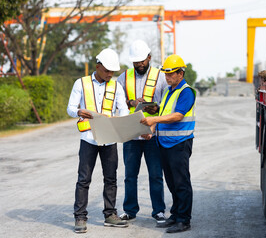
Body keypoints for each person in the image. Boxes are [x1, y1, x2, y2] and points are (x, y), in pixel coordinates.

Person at [67, 48, 129, 233]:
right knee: (84, 179)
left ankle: (110, 215)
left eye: (112, 71)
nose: (110, 74)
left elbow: (123, 109)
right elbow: (70, 108)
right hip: (88, 139)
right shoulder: (81, 83)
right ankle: (80, 218)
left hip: (109, 139)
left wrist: (123, 120)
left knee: (111, 179)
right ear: (98, 66)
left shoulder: (117, 86)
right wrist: (79, 111)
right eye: (107, 70)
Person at [140, 54, 196, 233]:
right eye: (166, 74)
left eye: (171, 74)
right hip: (164, 143)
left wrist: (154, 118)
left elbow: (177, 115)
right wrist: (152, 130)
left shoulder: (186, 91)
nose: (167, 77)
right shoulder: (168, 91)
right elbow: (164, 114)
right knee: (172, 183)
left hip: (179, 143)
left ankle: (184, 220)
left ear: (181, 73)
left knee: (181, 182)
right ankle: (176, 214)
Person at [117, 40, 167, 224]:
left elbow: (166, 104)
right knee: (130, 176)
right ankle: (129, 210)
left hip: (152, 134)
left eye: (142, 61)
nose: (139, 65)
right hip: (131, 134)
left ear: (149, 58)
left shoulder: (160, 76)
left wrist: (156, 109)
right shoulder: (124, 77)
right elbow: (118, 101)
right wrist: (131, 103)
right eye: (136, 62)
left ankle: (159, 211)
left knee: (155, 174)